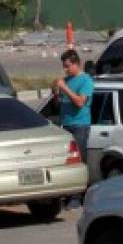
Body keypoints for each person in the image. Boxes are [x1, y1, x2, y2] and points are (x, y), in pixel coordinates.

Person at [53, 49, 93, 209]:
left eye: (68, 66)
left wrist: (65, 88)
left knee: (78, 160)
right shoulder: (66, 80)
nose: (65, 70)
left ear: (76, 64)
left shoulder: (85, 81)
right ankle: (69, 195)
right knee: (67, 162)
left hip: (80, 125)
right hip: (66, 125)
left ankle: (77, 198)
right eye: (64, 66)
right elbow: (59, 105)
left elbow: (80, 103)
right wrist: (56, 94)